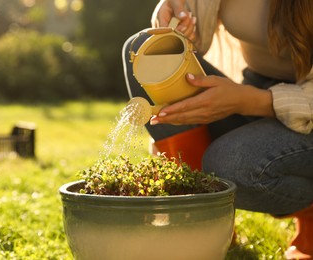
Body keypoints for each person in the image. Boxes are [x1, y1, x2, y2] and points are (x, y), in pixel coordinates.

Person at [122, 0, 313, 259]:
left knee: (231, 163)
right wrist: (174, 16)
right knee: (141, 48)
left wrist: (250, 101)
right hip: (252, 85)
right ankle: (202, 222)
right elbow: (187, 17)